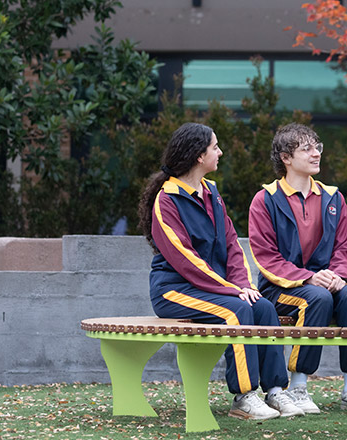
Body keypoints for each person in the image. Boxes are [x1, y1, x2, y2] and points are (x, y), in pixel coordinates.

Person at [138, 122, 303, 420]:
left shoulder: (211, 193)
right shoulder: (167, 200)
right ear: (199, 155)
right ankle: (244, 396)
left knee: (263, 308)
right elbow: (186, 260)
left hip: (213, 288)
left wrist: (244, 284)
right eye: (215, 147)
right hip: (174, 291)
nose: (220, 152)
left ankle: (276, 390)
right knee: (236, 312)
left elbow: (231, 245)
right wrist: (232, 290)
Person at [248, 123, 347, 415]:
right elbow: (266, 256)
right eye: (305, 148)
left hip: (326, 283)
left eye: (317, 147)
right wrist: (309, 277)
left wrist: (338, 277)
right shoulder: (266, 199)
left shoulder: (334, 198)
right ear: (285, 158)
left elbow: (346, 247)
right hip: (280, 288)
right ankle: (298, 388)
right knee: (316, 298)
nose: (315, 153)